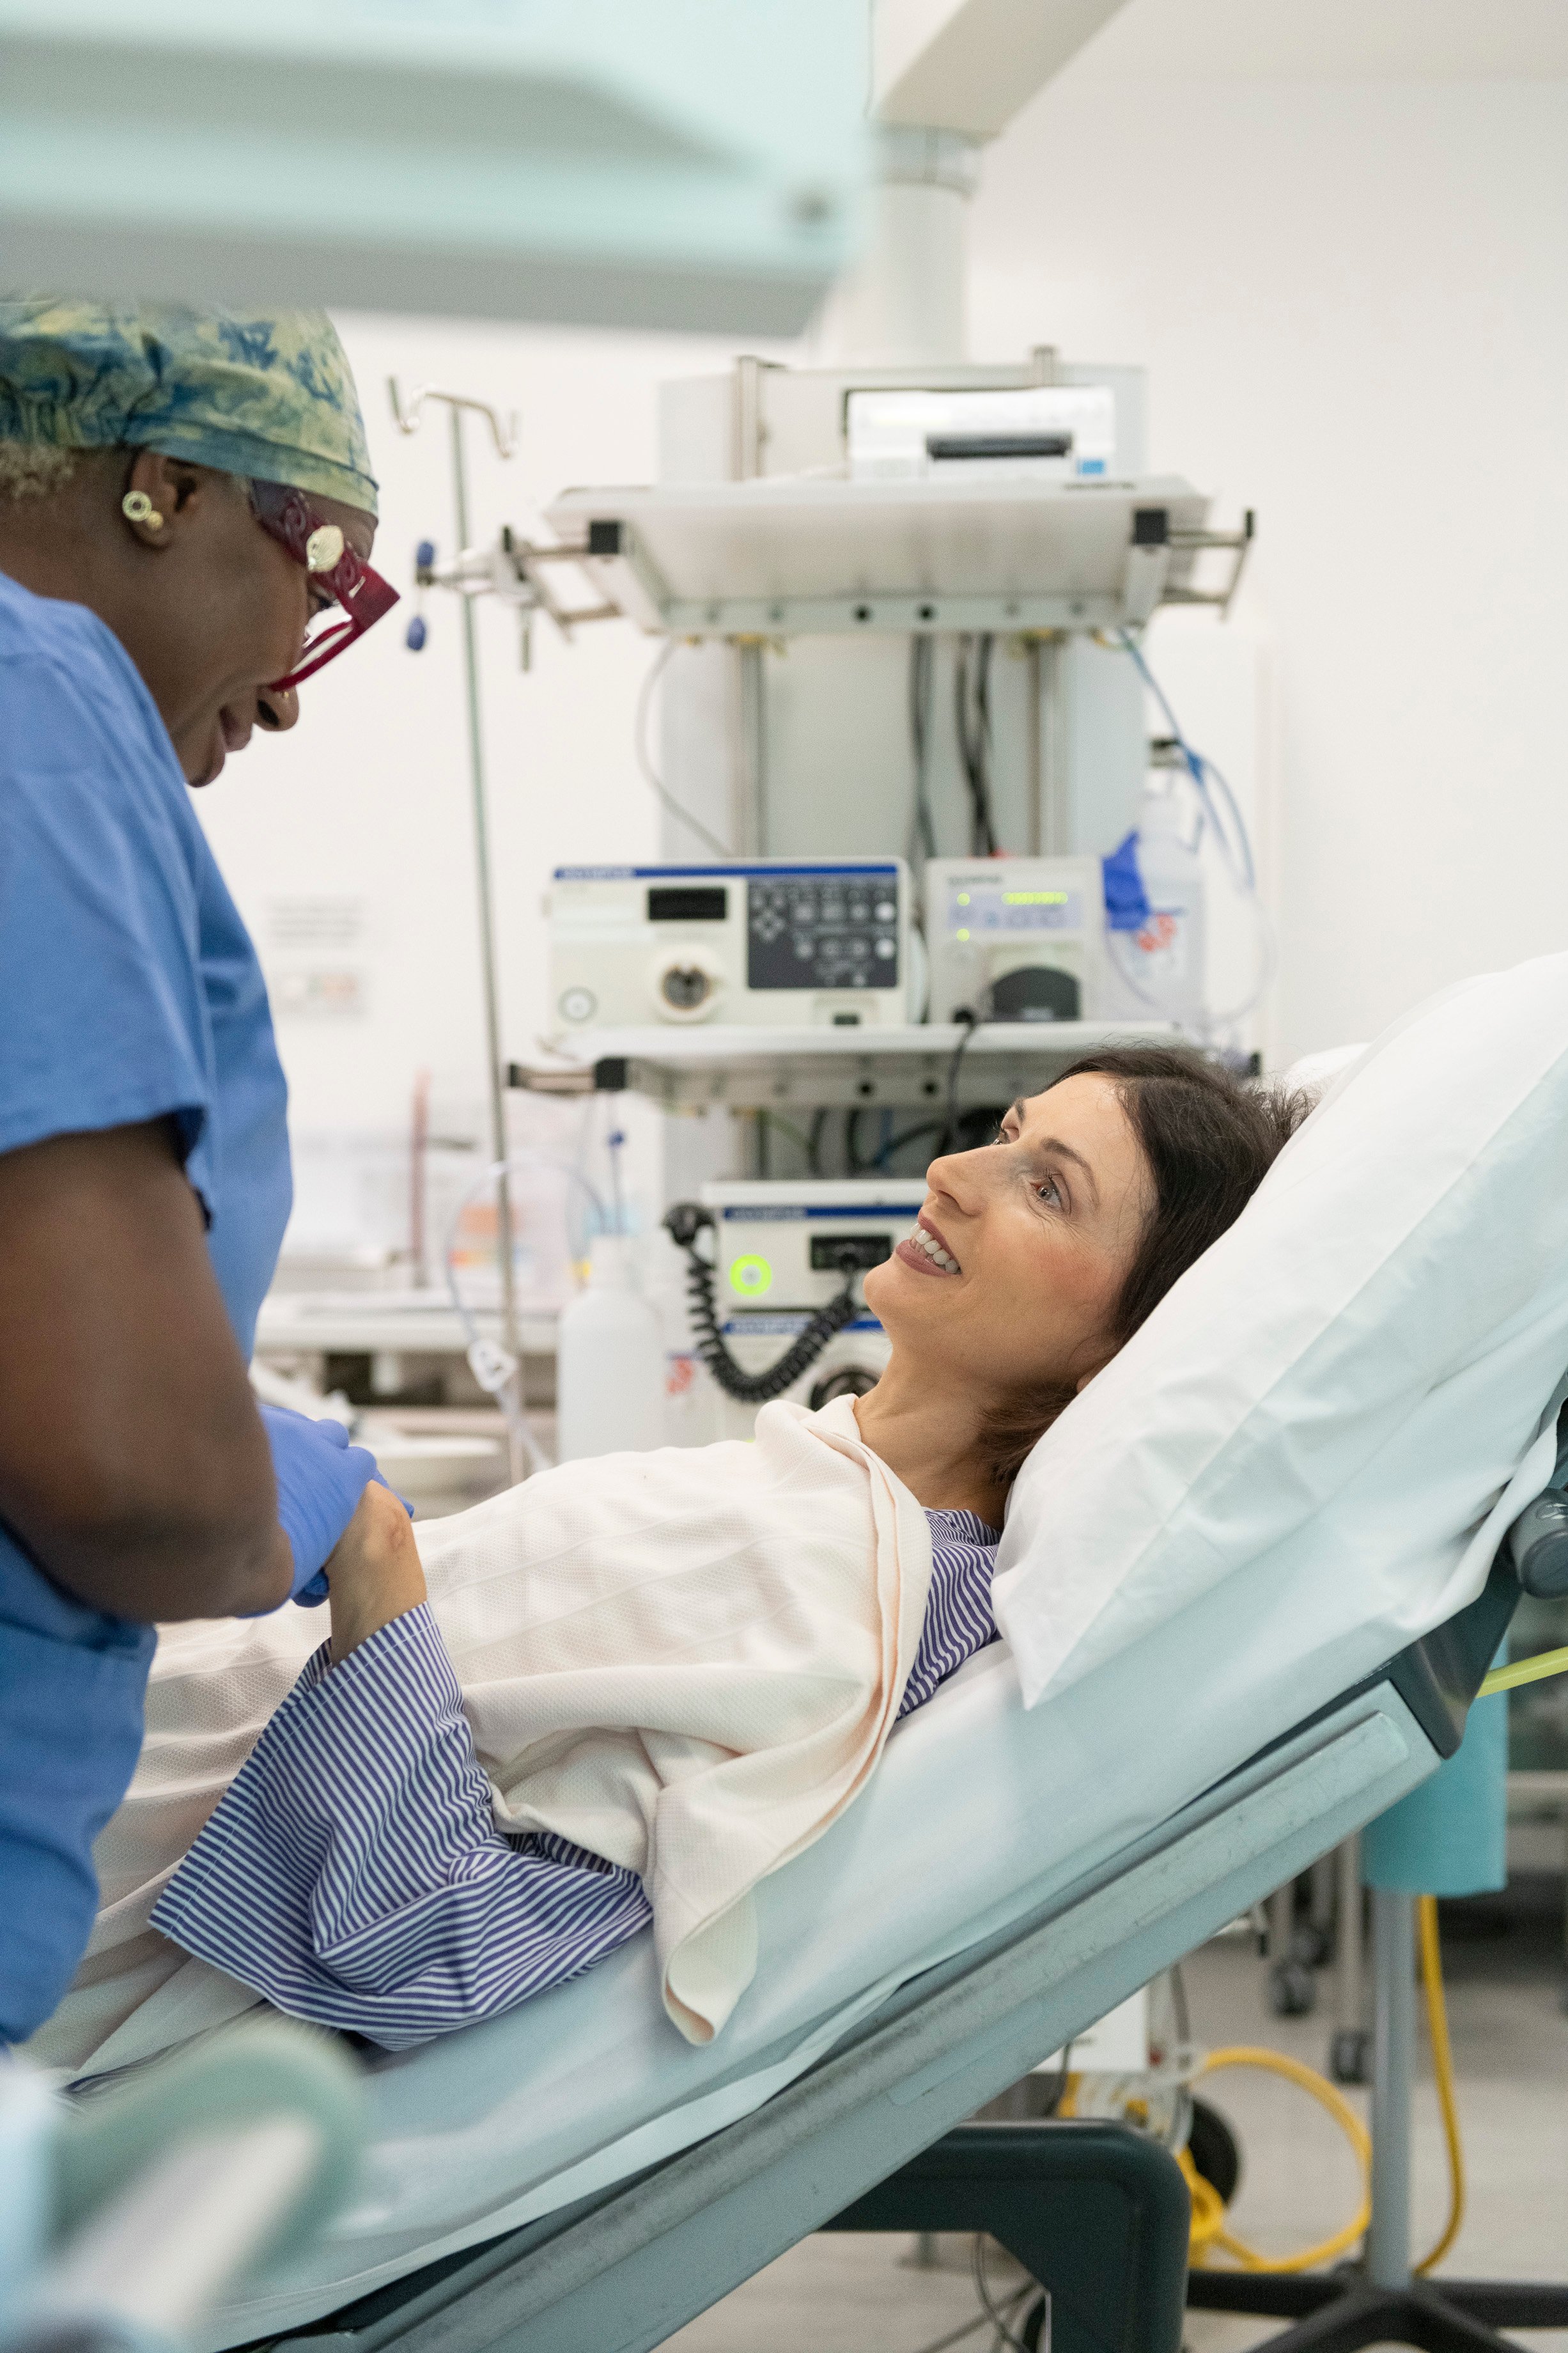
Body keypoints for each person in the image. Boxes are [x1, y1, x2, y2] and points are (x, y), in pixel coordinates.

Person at [33, 1051, 1307, 2074]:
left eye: (1050, 1187)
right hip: (104, 1698)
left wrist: (379, 1557)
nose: (959, 1171)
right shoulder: (806, 1477)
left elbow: (439, 1944)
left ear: (1124, 1344)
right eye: (1007, 1129)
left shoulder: (849, 1622)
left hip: (86, 1848)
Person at [0, 302, 405, 2047]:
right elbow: (131, 1484)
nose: (299, 695)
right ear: (162, 482)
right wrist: (292, 1505)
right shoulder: (35, 703)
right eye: (320, 584)